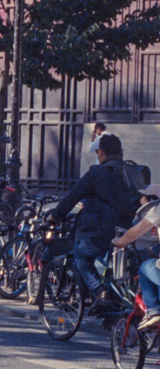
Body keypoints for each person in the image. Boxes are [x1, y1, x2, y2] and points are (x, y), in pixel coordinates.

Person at [48, 133, 140, 312]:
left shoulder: (96, 173)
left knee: (81, 255)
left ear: (101, 153)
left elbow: (72, 197)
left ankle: (100, 292)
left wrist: (55, 216)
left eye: (98, 153)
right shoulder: (134, 171)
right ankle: (111, 302)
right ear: (120, 152)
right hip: (130, 230)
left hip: (101, 231)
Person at [109, 185, 160, 331]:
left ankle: (154, 311)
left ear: (151, 199)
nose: (140, 200)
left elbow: (135, 232)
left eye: (143, 197)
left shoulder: (156, 210)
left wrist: (119, 242)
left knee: (145, 267)